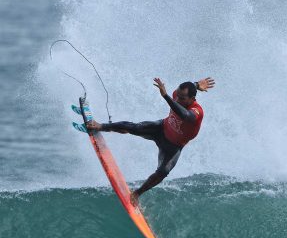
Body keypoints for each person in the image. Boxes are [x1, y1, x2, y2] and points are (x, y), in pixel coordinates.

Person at [87, 76, 215, 205]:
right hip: (161, 129)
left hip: (172, 147)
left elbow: (185, 115)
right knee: (134, 127)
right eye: (177, 95)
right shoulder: (178, 94)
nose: (177, 99)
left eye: (182, 98)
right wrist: (196, 84)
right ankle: (101, 126)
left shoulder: (197, 111)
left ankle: (137, 193)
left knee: (163, 171)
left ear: (192, 99)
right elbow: (181, 95)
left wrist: (165, 96)